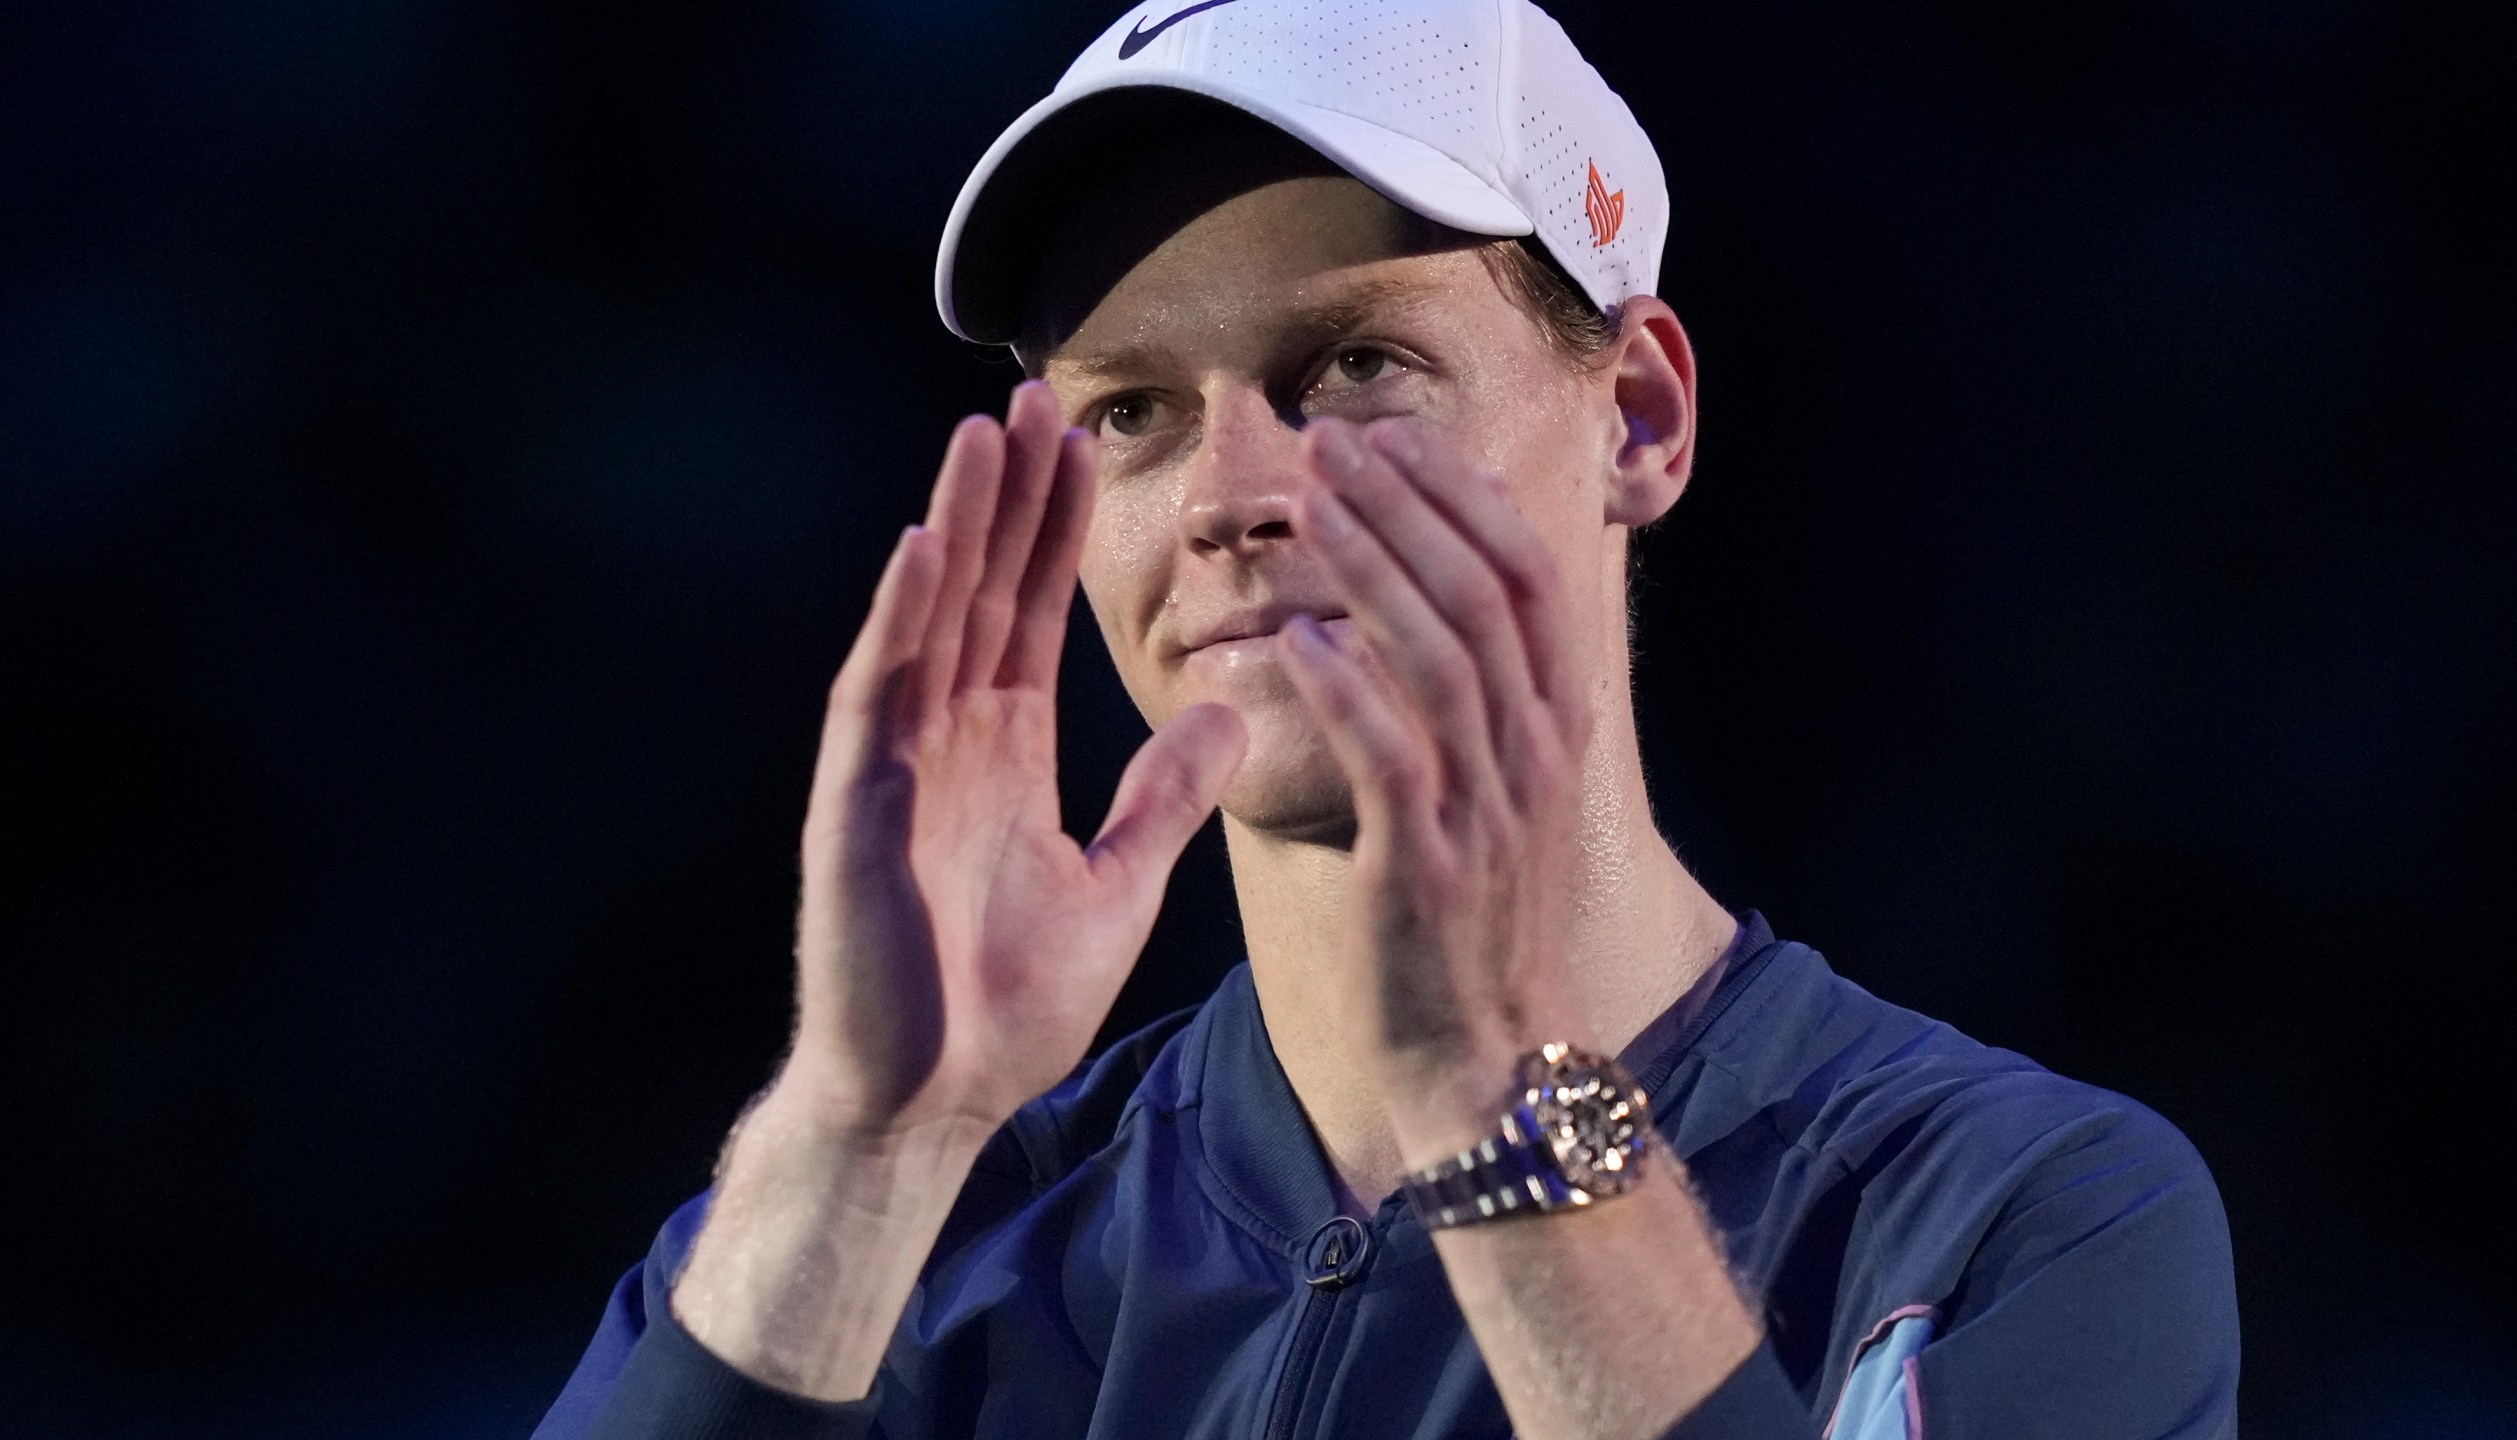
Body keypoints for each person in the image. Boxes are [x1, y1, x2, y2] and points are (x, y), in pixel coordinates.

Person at [533, 2, 2240, 1437]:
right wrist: (863, 1139)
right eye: (1131, 409)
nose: (1228, 495)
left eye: (1353, 367)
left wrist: (1496, 1100)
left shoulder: (2012, 1213)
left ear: (1638, 416)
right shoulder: (909, 1244)